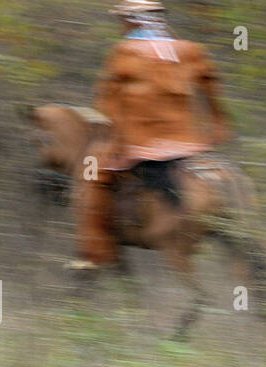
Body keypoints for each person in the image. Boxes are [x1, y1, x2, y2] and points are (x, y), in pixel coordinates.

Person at [70, 0, 232, 270]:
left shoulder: (124, 52)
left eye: (123, 20)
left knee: (91, 173)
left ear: (131, 21)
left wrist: (108, 134)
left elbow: (107, 102)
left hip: (142, 144)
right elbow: (211, 87)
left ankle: (93, 253)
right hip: (188, 143)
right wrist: (218, 124)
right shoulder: (191, 50)